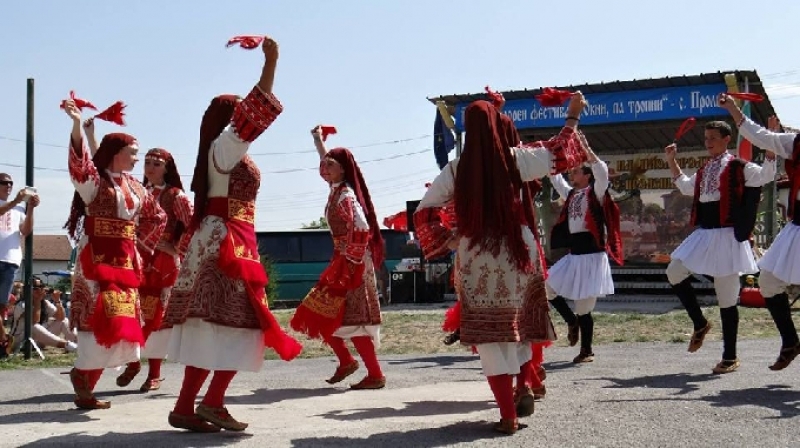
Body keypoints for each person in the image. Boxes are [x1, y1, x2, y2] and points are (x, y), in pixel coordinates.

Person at [413, 95, 587, 435]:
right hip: (517, 249)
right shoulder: (515, 159)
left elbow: (423, 210)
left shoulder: (455, 169)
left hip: (477, 254)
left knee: (492, 338)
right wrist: (573, 117)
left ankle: (508, 416)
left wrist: (447, 238)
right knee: (520, 323)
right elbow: (561, 153)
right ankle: (525, 383)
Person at [163, 36, 302, 433]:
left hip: (222, 236)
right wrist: (271, 63)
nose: (242, 116)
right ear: (230, 117)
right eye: (236, 111)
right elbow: (254, 113)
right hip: (228, 240)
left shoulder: (223, 151)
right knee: (243, 322)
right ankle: (213, 402)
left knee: (215, 325)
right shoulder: (226, 146)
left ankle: (188, 405)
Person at [62, 98, 167, 409]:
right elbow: (80, 165)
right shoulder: (95, 184)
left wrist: (142, 246)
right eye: (133, 154)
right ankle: (84, 378)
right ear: (118, 155)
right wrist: (77, 125)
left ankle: (88, 383)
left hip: (125, 260)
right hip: (96, 260)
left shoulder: (136, 186)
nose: (137, 159)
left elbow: (157, 216)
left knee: (123, 320)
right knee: (99, 318)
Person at [664, 115, 776, 374]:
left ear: (727, 140)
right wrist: (672, 161)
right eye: (706, 138)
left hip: (727, 236)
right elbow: (685, 187)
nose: (708, 142)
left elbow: (767, 174)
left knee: (726, 297)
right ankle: (700, 323)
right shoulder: (705, 169)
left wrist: (770, 139)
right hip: (705, 234)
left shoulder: (738, 166)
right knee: (674, 271)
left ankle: (730, 356)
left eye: (713, 138)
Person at [290, 126, 386, 390]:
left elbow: (362, 227)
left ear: (342, 168)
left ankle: (371, 372)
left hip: (351, 264)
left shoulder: (345, 196)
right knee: (321, 313)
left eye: (330, 165)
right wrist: (318, 141)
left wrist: (351, 259)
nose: (324, 168)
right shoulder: (337, 189)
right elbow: (327, 161)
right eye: (324, 165)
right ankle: (348, 361)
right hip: (343, 261)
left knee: (347, 318)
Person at [719, 94, 800, 369]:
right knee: (768, 281)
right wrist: (732, 108)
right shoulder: (796, 144)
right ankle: (790, 341)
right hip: (798, 228)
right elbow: (761, 136)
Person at [113, 148, 193, 392]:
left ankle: (155, 373)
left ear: (167, 168)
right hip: (134, 259)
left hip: (162, 265)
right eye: (147, 162)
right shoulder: (136, 191)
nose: (150, 167)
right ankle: (133, 362)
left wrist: (176, 248)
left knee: (155, 318)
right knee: (130, 313)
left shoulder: (176, 195)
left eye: (156, 163)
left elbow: (192, 224)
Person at [547, 131, 622, 363]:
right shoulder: (571, 195)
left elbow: (602, 173)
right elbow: (555, 177)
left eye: (577, 170)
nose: (572, 172)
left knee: (585, 307)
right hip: (574, 255)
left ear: (588, 176)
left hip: (591, 257)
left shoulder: (596, 193)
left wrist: (586, 147)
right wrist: (551, 154)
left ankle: (586, 350)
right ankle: (571, 321)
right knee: (545, 286)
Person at [0, 173, 39, 355]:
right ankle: (4, 340)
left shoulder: (18, 210)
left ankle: (3, 344)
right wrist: (16, 200)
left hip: (11, 260)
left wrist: (30, 208)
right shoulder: (11, 205)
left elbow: (26, 230)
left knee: (2, 306)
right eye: (4, 183)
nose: (8, 186)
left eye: (10, 183)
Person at [9, 277, 77, 353]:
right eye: (35, 288)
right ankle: (67, 345)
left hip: (39, 340)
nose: (39, 290)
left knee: (64, 321)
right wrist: (37, 300)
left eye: (41, 287)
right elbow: (34, 321)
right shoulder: (22, 304)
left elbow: (61, 317)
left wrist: (57, 301)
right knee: (33, 327)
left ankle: (74, 344)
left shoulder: (45, 303)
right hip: (20, 340)